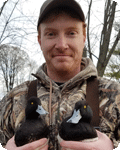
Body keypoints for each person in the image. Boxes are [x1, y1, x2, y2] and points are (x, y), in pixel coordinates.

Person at [0, 0, 120, 149]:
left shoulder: (115, 96)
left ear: (83, 37)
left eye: (71, 33)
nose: (62, 45)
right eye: (51, 34)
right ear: (40, 39)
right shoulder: (12, 100)